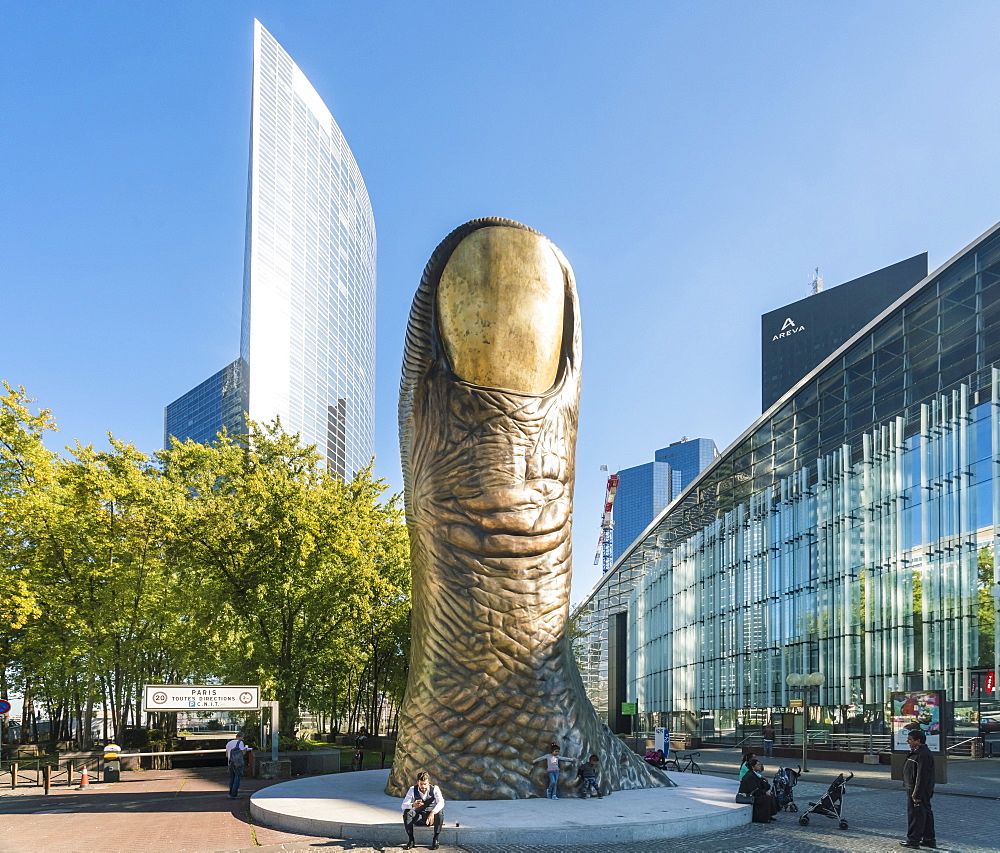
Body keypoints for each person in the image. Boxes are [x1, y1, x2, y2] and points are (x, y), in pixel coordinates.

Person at [900, 729, 936, 849]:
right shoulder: (917, 752)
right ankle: (928, 839)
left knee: (916, 815)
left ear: (918, 741)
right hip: (916, 788)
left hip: (918, 790)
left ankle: (913, 840)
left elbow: (922, 776)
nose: (907, 741)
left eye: (910, 739)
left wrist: (917, 794)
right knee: (924, 813)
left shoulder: (923, 754)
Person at [401, 770, 445, 850]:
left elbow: (441, 802)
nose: (423, 787)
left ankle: (435, 839)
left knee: (440, 812)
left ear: (428, 782)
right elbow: (403, 805)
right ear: (418, 782)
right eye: (421, 784)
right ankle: (411, 840)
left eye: (425, 784)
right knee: (407, 813)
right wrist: (413, 805)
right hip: (419, 817)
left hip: (432, 818)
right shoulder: (412, 789)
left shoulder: (435, 789)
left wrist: (432, 813)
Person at [738, 759, 779, 823]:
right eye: (758, 764)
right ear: (753, 767)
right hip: (748, 795)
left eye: (760, 764)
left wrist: (763, 780)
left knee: (772, 795)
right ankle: (763, 818)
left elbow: (765, 786)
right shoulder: (750, 776)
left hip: (755, 793)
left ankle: (769, 815)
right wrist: (764, 792)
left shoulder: (755, 774)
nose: (760, 766)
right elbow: (754, 789)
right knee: (767, 798)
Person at [225, 733, 248, 799]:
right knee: (237, 778)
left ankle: (230, 793)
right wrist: (246, 749)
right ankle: (234, 794)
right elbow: (243, 753)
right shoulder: (240, 742)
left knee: (232, 778)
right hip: (238, 763)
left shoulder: (229, 743)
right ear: (241, 737)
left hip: (230, 762)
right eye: (243, 738)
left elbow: (226, 755)